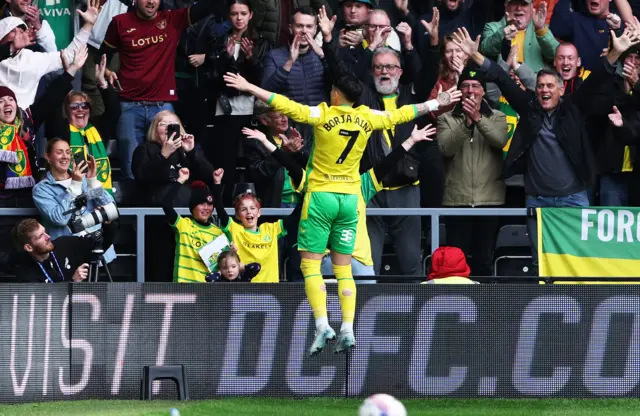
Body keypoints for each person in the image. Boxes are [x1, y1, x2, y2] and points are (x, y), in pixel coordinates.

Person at [223, 67, 461, 355]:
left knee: (310, 266)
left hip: (322, 195)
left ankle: (323, 324)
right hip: (350, 198)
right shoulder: (368, 117)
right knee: (344, 269)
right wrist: (438, 101)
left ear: (336, 93)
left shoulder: (323, 114)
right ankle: (348, 326)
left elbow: (284, 104)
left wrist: (249, 85)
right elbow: (404, 113)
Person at [452, 23, 640, 272]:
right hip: (538, 201)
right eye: (540, 86)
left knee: (577, 262)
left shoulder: (573, 108)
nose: (544, 90)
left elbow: (595, 82)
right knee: (539, 262)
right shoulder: (529, 109)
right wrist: (475, 55)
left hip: (573, 198)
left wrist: (615, 54)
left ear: (561, 90)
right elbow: (500, 77)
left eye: (550, 86)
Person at [243, 121, 438, 277]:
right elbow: (291, 166)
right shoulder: (335, 183)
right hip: (335, 263)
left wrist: (411, 140)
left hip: (350, 264)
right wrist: (270, 145)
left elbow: (387, 163)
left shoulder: (352, 184)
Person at [99, 0, 220, 179]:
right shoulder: (120, 22)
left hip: (163, 107)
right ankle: (138, 206)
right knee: (132, 168)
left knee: (172, 165)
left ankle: (166, 203)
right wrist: (107, 71)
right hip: (129, 106)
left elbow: (206, 7)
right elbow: (102, 56)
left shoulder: (172, 19)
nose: (151, 2)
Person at [437, 67, 508, 277]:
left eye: (475, 86)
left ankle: (484, 307)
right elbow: (445, 149)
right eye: (465, 86)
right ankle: (455, 307)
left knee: (484, 262)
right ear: (459, 91)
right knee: (454, 264)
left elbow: (500, 140)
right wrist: (466, 123)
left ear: (483, 92)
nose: (470, 91)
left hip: (490, 201)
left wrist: (478, 118)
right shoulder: (446, 118)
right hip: (456, 201)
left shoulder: (497, 117)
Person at [0, 45, 86, 206]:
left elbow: (51, 98)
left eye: (10, 99)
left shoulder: (26, 122)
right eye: (1, 101)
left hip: (26, 197)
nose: (7, 103)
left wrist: (72, 70)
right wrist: (10, 48)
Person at [210, 0, 270, 205]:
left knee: (252, 160)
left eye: (243, 13)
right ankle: (225, 206)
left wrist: (251, 58)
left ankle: (254, 207)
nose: (239, 18)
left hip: (250, 109)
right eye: (234, 13)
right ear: (229, 16)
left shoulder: (259, 41)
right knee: (225, 163)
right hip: (225, 109)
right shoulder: (219, 41)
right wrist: (226, 58)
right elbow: (213, 77)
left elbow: (263, 78)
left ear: (251, 15)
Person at [0, 0, 100, 108]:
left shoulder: (32, 59)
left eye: (21, 31)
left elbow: (68, 55)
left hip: (26, 119)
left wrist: (88, 26)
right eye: (12, 30)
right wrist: (12, 47)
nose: (18, 35)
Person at [211, 167, 302, 283]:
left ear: (259, 213)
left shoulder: (271, 229)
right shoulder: (235, 229)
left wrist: (308, 192)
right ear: (238, 215)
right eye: (244, 209)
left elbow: (295, 217)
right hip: (244, 291)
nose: (249, 212)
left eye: (252, 208)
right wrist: (217, 183)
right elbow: (219, 209)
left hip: (270, 291)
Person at [32, 138, 117, 262]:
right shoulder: (41, 189)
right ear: (48, 157)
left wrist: (92, 180)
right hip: (68, 256)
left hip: (99, 253)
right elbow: (60, 219)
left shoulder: (84, 180)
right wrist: (75, 185)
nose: (65, 156)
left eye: (68, 152)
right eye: (59, 152)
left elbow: (111, 208)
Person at [47, 54, 119, 194]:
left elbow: (114, 111)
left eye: (84, 105)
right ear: (67, 111)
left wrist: (102, 83)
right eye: (74, 106)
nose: (80, 109)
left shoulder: (96, 128)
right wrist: (68, 75)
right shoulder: (61, 130)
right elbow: (53, 105)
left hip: (99, 194)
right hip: (70, 192)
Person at [131, 110, 213, 205]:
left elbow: (209, 177)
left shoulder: (184, 149)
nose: (168, 128)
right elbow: (143, 178)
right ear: (155, 129)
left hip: (188, 206)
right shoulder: (145, 148)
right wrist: (163, 155)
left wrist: (192, 152)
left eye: (173, 124)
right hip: (158, 206)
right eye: (163, 124)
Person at [162, 167, 225, 283]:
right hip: (183, 288)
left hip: (206, 290)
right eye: (201, 204)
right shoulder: (183, 225)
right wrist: (180, 180)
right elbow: (166, 204)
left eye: (210, 204)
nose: (206, 208)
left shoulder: (218, 233)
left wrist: (217, 183)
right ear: (193, 207)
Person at [261, 6, 328, 106]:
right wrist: (290, 62)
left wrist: (323, 57)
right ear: (291, 28)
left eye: (309, 26)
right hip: (288, 120)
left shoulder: (323, 55)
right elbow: (265, 93)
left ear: (315, 30)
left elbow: (340, 86)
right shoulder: (273, 56)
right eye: (299, 26)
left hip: (319, 120)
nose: (304, 31)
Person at [550, 0, 634, 70]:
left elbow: (629, 54)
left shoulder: (618, 23)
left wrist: (617, 32)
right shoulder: (575, 20)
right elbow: (556, 28)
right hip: (580, 83)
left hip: (608, 84)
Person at [481, 0, 559, 73]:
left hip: (533, 84)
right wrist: (504, 30)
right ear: (506, 5)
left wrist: (540, 30)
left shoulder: (540, 28)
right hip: (503, 81)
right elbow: (486, 49)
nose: (518, 8)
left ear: (531, 7)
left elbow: (556, 56)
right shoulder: (492, 27)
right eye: (514, 3)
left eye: (524, 4)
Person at [9, 218, 92, 283]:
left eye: (45, 232)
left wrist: (104, 225)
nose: (48, 237)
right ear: (29, 247)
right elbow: (46, 302)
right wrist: (73, 282)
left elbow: (95, 243)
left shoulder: (65, 244)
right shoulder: (26, 275)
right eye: (40, 236)